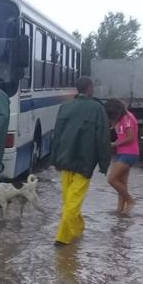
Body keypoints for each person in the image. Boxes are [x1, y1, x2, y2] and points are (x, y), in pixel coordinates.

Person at [50, 76, 112, 246]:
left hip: (65, 160)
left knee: (70, 201)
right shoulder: (97, 108)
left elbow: (56, 134)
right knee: (72, 203)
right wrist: (104, 163)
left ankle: (62, 238)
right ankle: (77, 230)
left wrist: (54, 158)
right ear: (90, 88)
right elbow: (103, 138)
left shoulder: (65, 106)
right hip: (84, 162)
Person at [105, 99, 140, 215]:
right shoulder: (122, 119)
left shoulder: (128, 118)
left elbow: (131, 137)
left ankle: (130, 201)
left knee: (112, 179)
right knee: (121, 183)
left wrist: (115, 144)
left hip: (129, 153)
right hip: (123, 152)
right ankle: (120, 210)